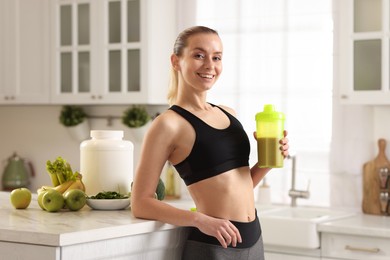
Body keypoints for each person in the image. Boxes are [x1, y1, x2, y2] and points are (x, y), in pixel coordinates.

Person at [131, 26, 289, 260]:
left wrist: (268, 162)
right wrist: (198, 220)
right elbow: (141, 203)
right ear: (176, 61)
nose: (209, 65)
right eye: (198, 55)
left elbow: (237, 186)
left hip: (254, 238)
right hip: (213, 245)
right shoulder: (168, 124)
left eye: (216, 57)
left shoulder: (229, 113)